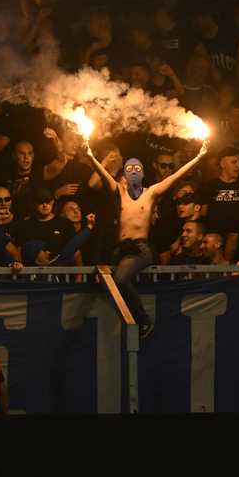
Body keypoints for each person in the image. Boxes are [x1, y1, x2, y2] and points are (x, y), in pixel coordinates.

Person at [80, 131, 209, 339]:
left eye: (137, 169)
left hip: (139, 250)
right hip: (119, 250)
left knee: (121, 281)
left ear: (142, 175)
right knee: (110, 285)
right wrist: (89, 156)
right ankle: (124, 327)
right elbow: (103, 175)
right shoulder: (120, 193)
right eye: (129, 169)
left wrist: (199, 157)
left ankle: (144, 321)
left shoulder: (151, 194)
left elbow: (176, 176)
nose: (133, 172)